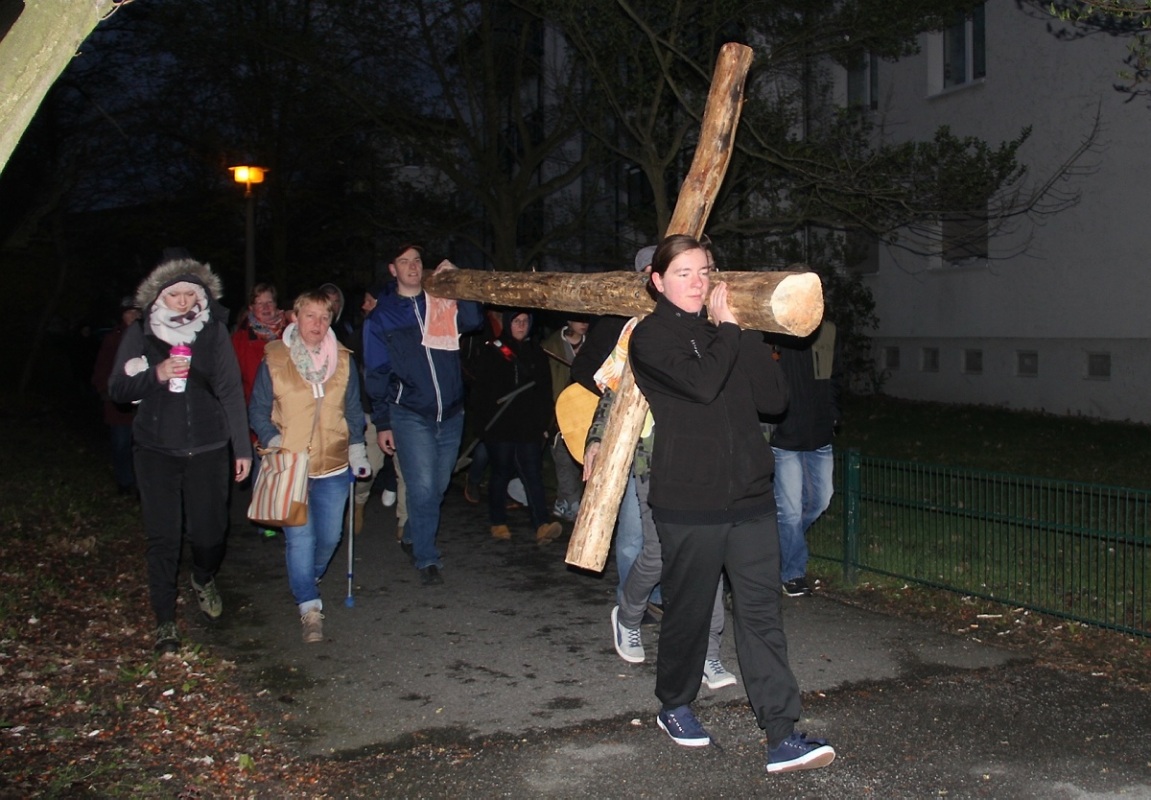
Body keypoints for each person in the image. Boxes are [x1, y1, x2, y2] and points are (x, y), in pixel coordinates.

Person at [628, 234, 835, 773]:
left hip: (749, 497)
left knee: (762, 616)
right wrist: (728, 332)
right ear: (658, 282)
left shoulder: (729, 331)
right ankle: (674, 703)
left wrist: (750, 336)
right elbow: (699, 385)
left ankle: (782, 732)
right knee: (691, 613)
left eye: (704, 271)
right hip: (688, 502)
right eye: (684, 273)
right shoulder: (649, 339)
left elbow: (774, 401)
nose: (697, 282)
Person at [108, 256, 252, 654]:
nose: (185, 301)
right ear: (159, 296)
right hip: (155, 449)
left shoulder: (214, 331)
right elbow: (117, 388)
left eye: (192, 294)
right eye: (176, 295)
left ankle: (203, 576)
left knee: (210, 534)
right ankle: (165, 622)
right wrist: (155, 375)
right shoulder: (140, 333)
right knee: (163, 538)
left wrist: (241, 448)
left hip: (208, 447)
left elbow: (229, 391)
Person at [249, 289, 371, 643]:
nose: (317, 324)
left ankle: (306, 578)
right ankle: (309, 606)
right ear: (295, 318)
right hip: (292, 466)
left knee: (329, 537)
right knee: (300, 540)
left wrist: (358, 451)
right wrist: (274, 441)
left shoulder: (344, 361)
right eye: (310, 316)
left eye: (324, 317)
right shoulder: (273, 357)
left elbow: (352, 411)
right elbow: (257, 409)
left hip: (333, 464)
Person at [362, 244, 484, 585]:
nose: (413, 266)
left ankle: (412, 534)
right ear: (393, 269)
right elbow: (376, 372)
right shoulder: (382, 316)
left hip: (452, 411)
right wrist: (383, 421)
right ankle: (426, 557)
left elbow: (473, 321)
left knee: (439, 485)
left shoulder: (439, 301)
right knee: (424, 485)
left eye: (417, 260)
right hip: (410, 413)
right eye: (404, 261)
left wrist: (458, 283)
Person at [568, 246, 657, 610]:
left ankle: (659, 596)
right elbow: (583, 370)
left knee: (662, 535)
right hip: (627, 442)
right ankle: (628, 603)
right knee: (633, 532)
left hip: (667, 442)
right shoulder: (614, 323)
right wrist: (613, 405)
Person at [472, 310, 563, 543]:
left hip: (528, 427)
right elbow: (481, 391)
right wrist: (484, 425)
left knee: (532, 473)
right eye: (516, 321)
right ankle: (497, 520)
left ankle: (541, 523)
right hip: (500, 426)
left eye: (525, 321)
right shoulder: (493, 351)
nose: (521, 325)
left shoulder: (537, 353)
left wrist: (544, 423)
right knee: (501, 472)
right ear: (507, 323)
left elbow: (544, 391)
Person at [768, 322, 843, 597]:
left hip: (819, 432)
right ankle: (793, 572)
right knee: (789, 511)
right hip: (784, 437)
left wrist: (833, 414)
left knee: (821, 500)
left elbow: (834, 376)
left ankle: (771, 547)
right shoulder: (773, 332)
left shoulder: (827, 331)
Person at [91, 295, 141, 496]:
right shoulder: (113, 339)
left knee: (140, 446)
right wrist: (105, 390)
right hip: (118, 403)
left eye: (136, 312)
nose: (133, 316)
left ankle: (140, 484)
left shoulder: (148, 337)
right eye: (129, 312)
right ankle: (124, 481)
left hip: (141, 403)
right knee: (121, 444)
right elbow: (102, 368)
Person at [541, 316, 589, 521]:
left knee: (583, 458)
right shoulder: (551, 346)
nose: (584, 323)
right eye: (579, 318)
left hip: (586, 409)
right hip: (559, 410)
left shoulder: (594, 344)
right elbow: (544, 383)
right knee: (563, 457)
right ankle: (574, 503)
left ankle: (564, 501)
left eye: (587, 319)